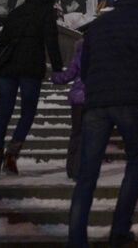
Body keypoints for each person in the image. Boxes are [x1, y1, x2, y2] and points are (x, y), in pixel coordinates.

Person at [67, 0, 138, 248]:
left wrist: (96, 89)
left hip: (96, 105)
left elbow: (84, 67)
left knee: (87, 173)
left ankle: (76, 240)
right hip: (127, 102)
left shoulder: (98, 25)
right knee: (137, 159)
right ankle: (119, 231)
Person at [0, 0, 64, 180]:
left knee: (3, 114)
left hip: (8, 68)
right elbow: (51, 41)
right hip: (30, 68)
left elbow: (3, 43)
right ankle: (11, 155)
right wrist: (58, 68)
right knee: (27, 113)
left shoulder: (16, 13)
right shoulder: (47, 12)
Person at [51, 37, 87, 179]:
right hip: (93, 99)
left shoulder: (79, 55)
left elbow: (67, 76)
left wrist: (54, 76)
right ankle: (80, 168)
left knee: (76, 133)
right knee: (86, 135)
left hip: (78, 99)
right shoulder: (99, 55)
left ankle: (71, 168)